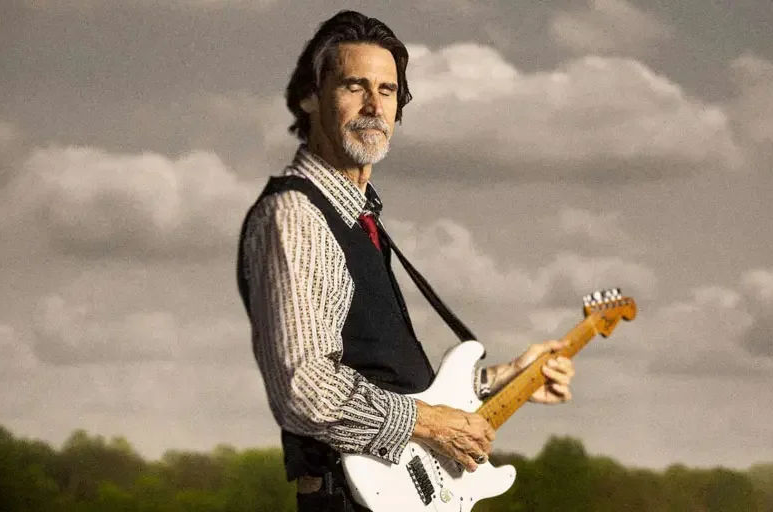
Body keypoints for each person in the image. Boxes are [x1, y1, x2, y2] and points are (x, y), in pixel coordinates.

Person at [235, 10, 576, 511]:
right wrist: (433, 423)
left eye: (388, 91)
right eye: (354, 86)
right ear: (309, 97)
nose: (374, 106)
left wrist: (506, 379)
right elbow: (305, 389)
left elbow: (382, 375)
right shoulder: (296, 216)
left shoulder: (357, 219)